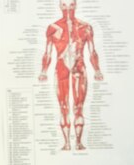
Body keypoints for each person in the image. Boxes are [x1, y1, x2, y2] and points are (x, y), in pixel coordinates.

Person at [38, 0, 103, 151]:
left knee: (78, 107)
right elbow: (48, 52)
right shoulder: (53, 28)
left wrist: (97, 69)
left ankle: (78, 143)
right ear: (60, 6)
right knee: (63, 106)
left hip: (79, 68)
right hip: (61, 68)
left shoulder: (86, 27)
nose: (68, 8)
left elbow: (92, 51)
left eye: (71, 4)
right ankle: (66, 143)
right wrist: (43, 71)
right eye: (64, 4)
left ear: (76, 6)